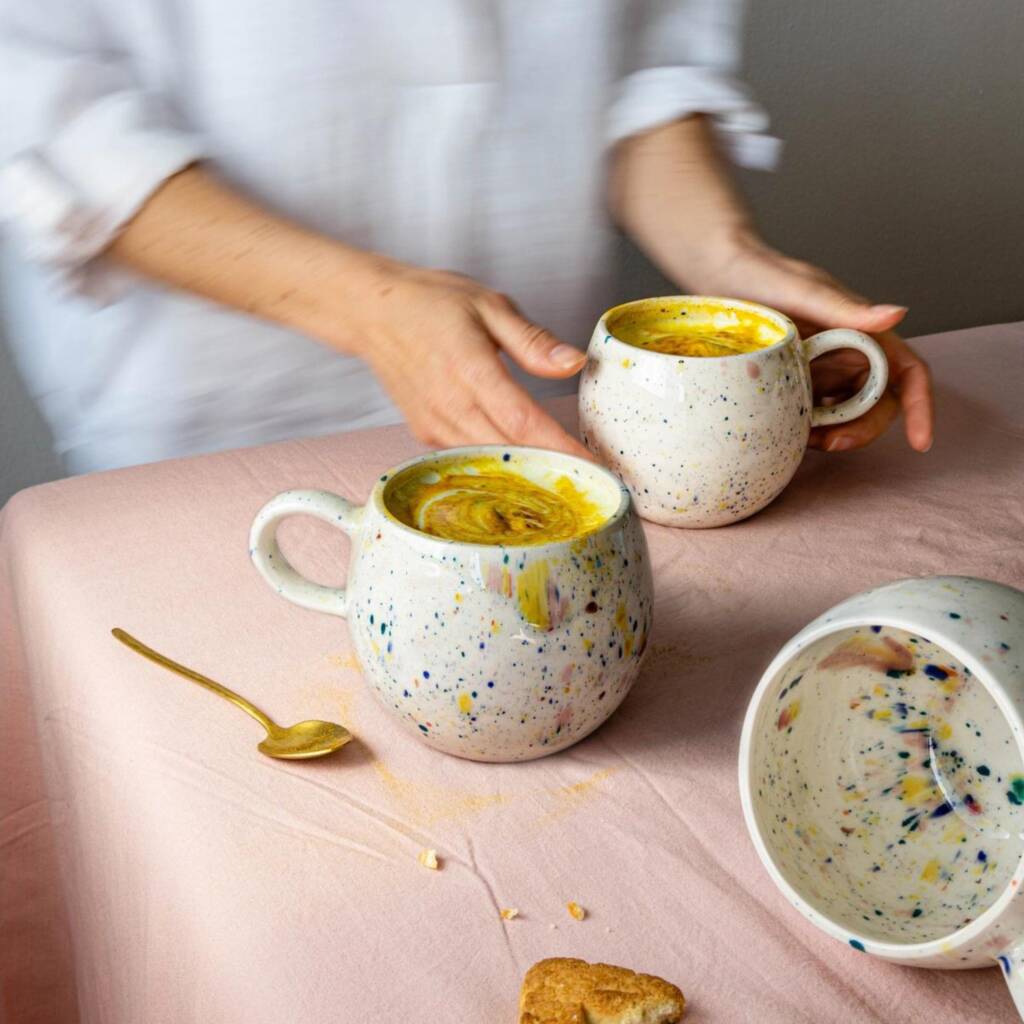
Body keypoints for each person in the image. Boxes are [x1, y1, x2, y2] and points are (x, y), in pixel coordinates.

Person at [0, 1, 932, 474]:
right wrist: (369, 309)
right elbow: (52, 114)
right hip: (211, 416)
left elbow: (645, 59)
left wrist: (727, 262)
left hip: (550, 391)